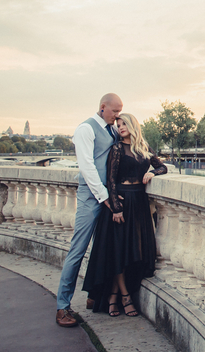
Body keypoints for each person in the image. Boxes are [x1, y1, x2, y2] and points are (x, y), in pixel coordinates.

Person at [82, 113, 167, 317]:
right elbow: (110, 180)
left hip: (139, 203)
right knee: (119, 251)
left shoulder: (144, 148)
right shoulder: (117, 148)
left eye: (123, 124)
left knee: (131, 251)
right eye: (118, 124)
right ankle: (125, 297)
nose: (120, 127)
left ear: (132, 125)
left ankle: (113, 295)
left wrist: (152, 173)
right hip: (122, 202)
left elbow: (162, 166)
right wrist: (116, 207)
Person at [56, 93, 122, 328]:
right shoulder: (85, 129)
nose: (118, 115)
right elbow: (87, 166)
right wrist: (105, 197)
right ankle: (62, 306)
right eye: (115, 111)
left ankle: (94, 295)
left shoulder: (113, 130)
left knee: (103, 248)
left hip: (108, 196)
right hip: (92, 197)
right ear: (103, 107)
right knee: (78, 249)